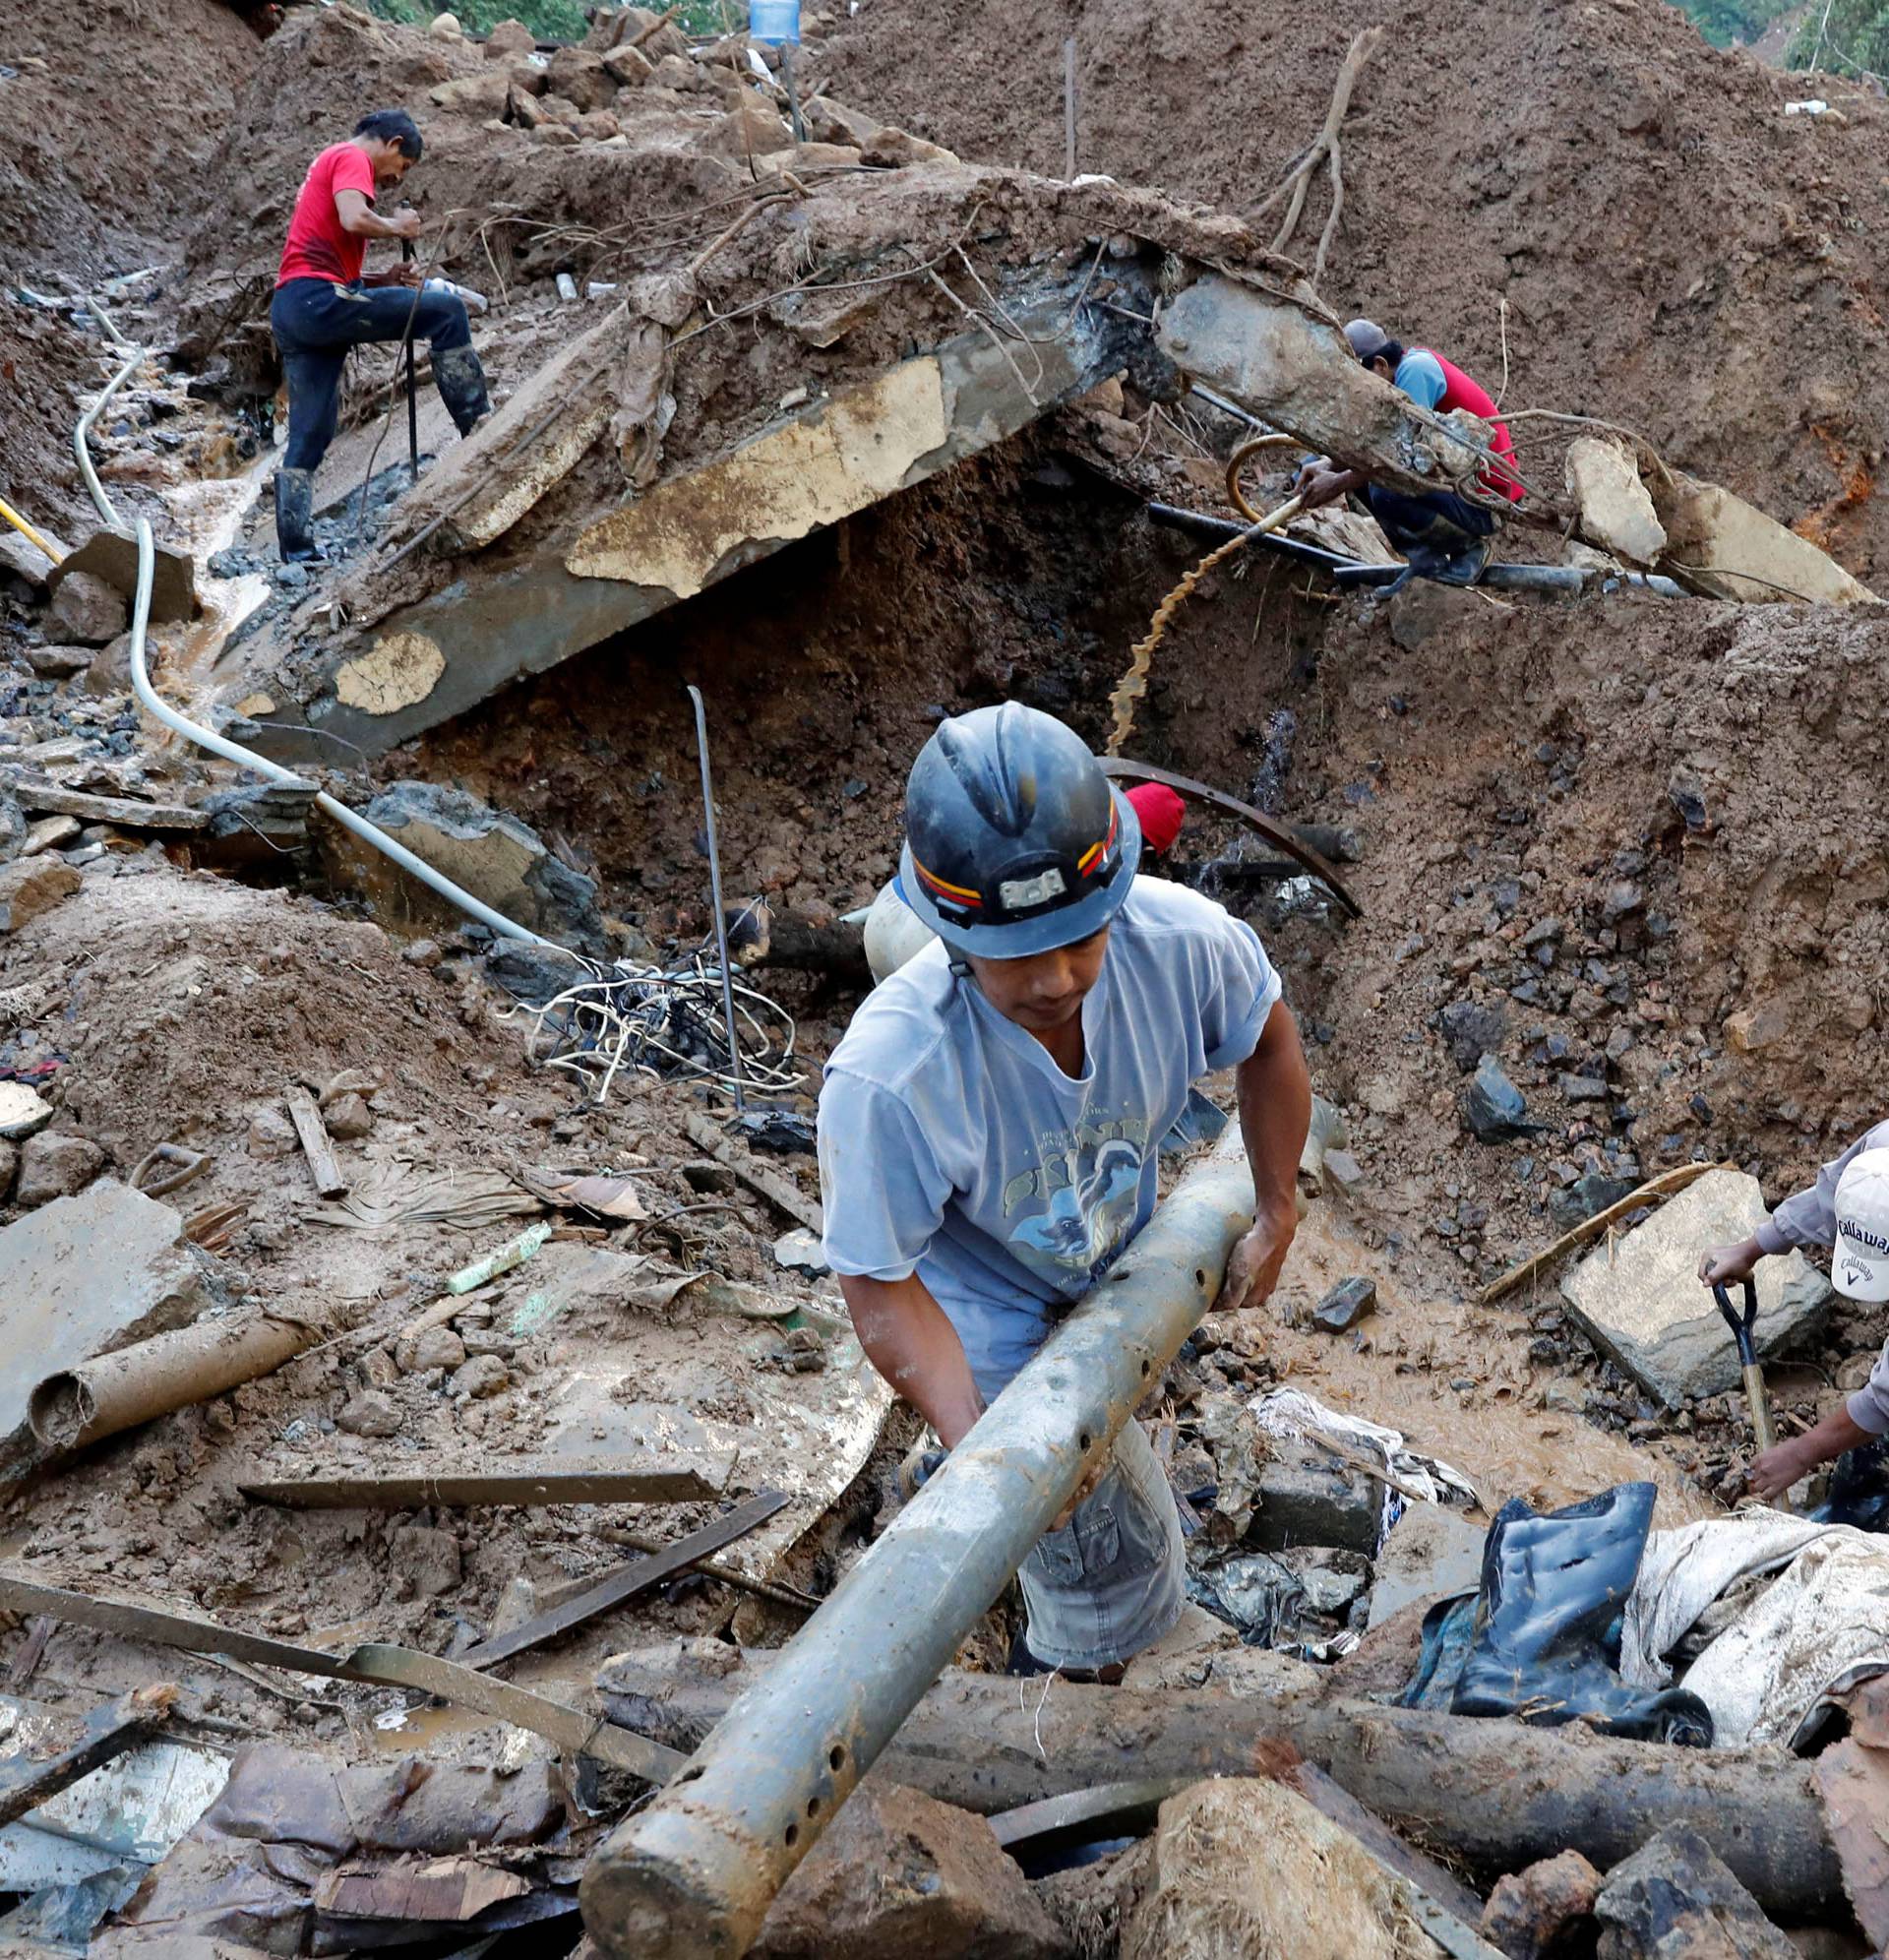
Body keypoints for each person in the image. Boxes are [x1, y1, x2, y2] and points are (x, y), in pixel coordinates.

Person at [818, 703, 1311, 1679]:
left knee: (1100, 1484)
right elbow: (878, 1284)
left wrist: (1277, 1203)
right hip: (986, 1310)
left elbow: (1270, 1038)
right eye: (1015, 957)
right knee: (1113, 1566)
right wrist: (991, 1452)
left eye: (1077, 943)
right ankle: (1083, 1710)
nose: (1052, 980)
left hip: (1105, 1251)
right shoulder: (891, 1077)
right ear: (954, 935)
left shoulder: (1183, 946)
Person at [269, 109, 491, 562]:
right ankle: (483, 433)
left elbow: (325, 261)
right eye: (403, 166)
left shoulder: (327, 162)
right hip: (320, 300)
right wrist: (397, 227)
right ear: (391, 144)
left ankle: (296, 551)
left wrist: (382, 279)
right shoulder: (352, 157)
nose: (397, 179)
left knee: (310, 433)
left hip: (296, 306)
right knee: (447, 311)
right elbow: (353, 219)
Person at [1699, 1133, 1889, 1502]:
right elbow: (1832, 1199)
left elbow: (1885, 1400)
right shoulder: (1882, 1151)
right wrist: (1752, 1248)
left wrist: (1802, 1453)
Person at [862, 778, 1188, 985]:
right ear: (1145, 847)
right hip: (936, 937)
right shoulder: (1100, 872)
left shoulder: (1068, 818)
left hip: (890, 909)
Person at [1294, 318, 1525, 586]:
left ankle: (1469, 550)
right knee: (1366, 479)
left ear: (1379, 365)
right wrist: (1327, 465)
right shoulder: (1400, 375)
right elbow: (1375, 447)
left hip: (1487, 501)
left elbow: (1396, 461)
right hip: (1463, 493)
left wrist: (1337, 482)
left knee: (1385, 487)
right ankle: (1426, 559)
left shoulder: (1415, 373)